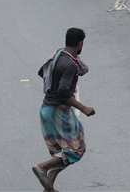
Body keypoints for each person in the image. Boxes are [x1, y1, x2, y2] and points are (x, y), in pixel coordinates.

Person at [32, 28, 95, 192]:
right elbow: (63, 93)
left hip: (46, 109)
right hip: (57, 112)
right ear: (80, 43)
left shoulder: (58, 55)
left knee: (62, 153)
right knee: (76, 150)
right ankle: (42, 167)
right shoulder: (70, 65)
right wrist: (83, 108)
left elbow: (42, 72)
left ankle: (49, 188)